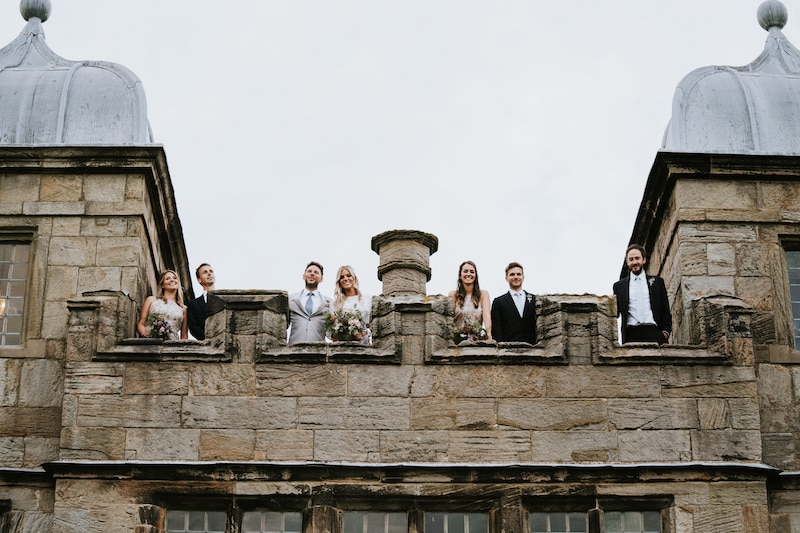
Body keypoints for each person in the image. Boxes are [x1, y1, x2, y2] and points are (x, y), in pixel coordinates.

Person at [612, 244, 672, 344]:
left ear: (643, 260)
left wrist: (665, 332)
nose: (634, 262)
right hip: (631, 334)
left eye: (637, 258)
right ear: (627, 262)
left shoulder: (657, 282)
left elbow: (665, 309)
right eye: (631, 259)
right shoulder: (619, 286)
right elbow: (615, 312)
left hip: (654, 331)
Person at [490, 262, 537, 344]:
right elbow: (496, 329)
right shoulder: (499, 302)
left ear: (523, 277)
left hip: (532, 348)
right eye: (512, 274)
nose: (516, 277)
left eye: (519, 274)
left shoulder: (534, 299)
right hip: (508, 350)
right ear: (506, 278)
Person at [287, 261, 332, 344]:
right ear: (304, 276)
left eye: (316, 272)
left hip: (318, 351)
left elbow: (331, 331)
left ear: (321, 279)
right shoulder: (291, 299)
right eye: (309, 271)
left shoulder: (329, 303)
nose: (312, 274)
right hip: (293, 349)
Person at [136, 270, 188, 340]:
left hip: (172, 345)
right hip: (150, 342)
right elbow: (141, 323)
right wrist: (144, 333)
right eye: (168, 278)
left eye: (174, 278)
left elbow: (184, 335)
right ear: (162, 285)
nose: (172, 280)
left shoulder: (183, 308)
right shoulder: (151, 300)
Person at [327, 265, 372, 344]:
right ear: (339, 281)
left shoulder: (368, 299)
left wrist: (363, 334)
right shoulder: (335, 303)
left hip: (364, 343)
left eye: (348, 276)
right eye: (342, 277)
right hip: (343, 346)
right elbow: (330, 330)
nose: (345, 279)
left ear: (354, 278)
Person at [449, 260, 492, 343]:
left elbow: (487, 316)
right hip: (457, 341)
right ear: (460, 275)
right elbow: (449, 318)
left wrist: (489, 335)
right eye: (465, 271)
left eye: (472, 272)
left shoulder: (483, 294)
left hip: (476, 340)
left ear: (475, 275)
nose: (469, 274)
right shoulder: (453, 294)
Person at [187, 262, 214, 340]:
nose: (209, 274)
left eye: (211, 271)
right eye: (205, 272)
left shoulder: (225, 299)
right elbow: (193, 326)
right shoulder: (193, 304)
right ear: (199, 279)